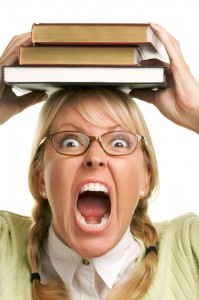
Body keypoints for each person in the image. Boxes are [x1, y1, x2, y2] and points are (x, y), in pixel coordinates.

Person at [0, 24, 198, 300]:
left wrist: (195, 111)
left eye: (118, 142)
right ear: (40, 177)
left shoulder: (189, 250)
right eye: (70, 141)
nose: (94, 158)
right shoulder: (4, 247)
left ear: (146, 177)